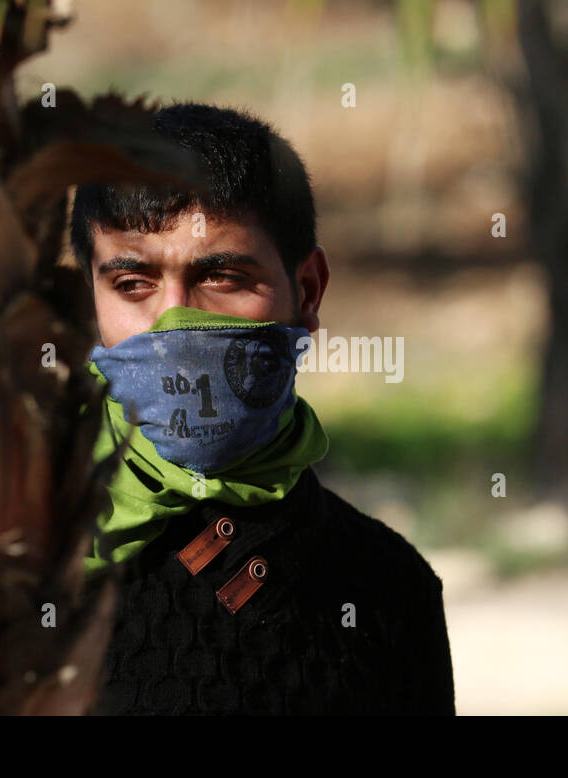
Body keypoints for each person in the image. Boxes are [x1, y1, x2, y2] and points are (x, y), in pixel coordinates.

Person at [72, 101, 455, 715]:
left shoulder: (388, 589)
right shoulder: (12, 572)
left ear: (306, 291)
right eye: (132, 284)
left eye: (220, 277)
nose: (174, 324)